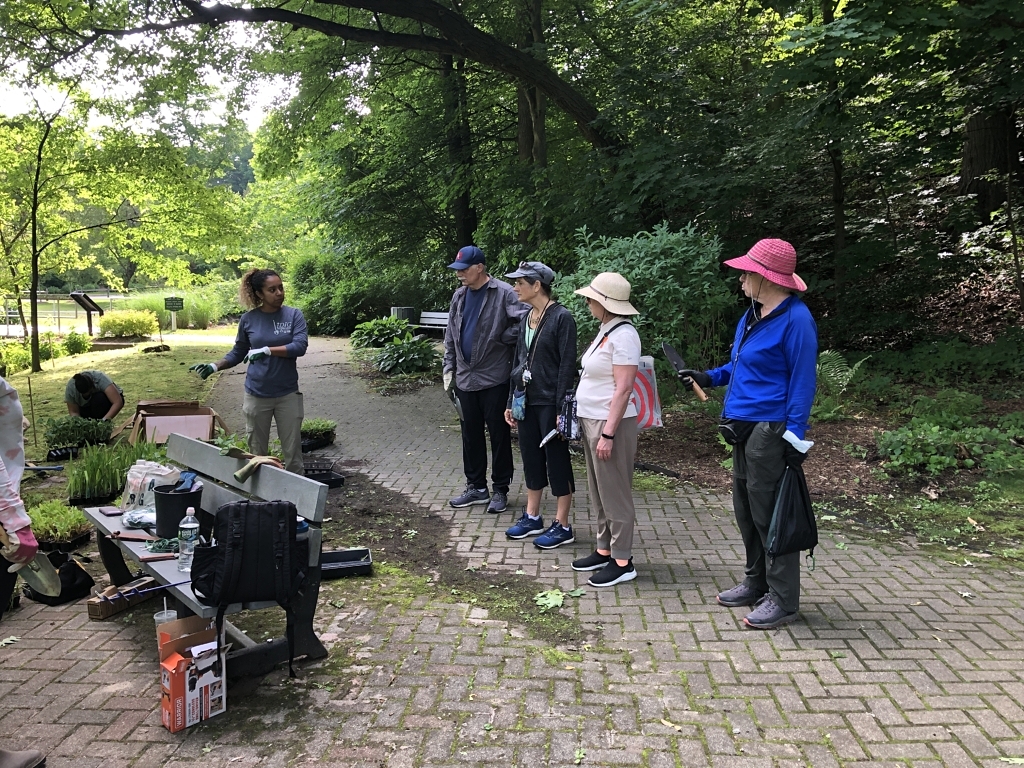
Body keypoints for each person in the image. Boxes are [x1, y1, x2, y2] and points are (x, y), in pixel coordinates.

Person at [677, 238, 817, 629]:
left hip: (770, 427)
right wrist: (709, 377)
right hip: (741, 425)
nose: (740, 279)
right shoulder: (752, 315)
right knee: (746, 509)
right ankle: (757, 582)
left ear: (766, 278)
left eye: (746, 273)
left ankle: (783, 600)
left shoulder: (797, 320)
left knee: (770, 513)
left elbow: (803, 381)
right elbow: (739, 365)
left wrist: (794, 436)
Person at [189, 268, 309, 475]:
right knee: (256, 453)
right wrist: (215, 366)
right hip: (257, 395)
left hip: (287, 394)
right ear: (259, 294)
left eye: (281, 287)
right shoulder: (249, 319)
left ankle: (296, 493)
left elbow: (300, 346)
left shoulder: (293, 315)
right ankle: (259, 492)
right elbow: (239, 352)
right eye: (272, 290)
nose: (279, 293)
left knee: (293, 452)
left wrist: (267, 350)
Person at [569, 273, 642, 588]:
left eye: (591, 298)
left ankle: (623, 561)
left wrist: (609, 434)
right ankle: (604, 549)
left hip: (610, 423)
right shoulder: (606, 329)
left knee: (615, 493)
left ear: (605, 303)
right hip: (592, 419)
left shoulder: (624, 336)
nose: (587, 303)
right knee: (599, 490)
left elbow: (624, 389)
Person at [442, 246, 528, 513]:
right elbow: (451, 334)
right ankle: (476, 487)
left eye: (464, 269)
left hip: (494, 377)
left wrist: (505, 337)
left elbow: (528, 320)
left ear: (479, 268)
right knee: (470, 435)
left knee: (499, 435)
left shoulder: (503, 292)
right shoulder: (459, 296)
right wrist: (448, 367)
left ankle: (500, 489)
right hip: (465, 378)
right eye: (457, 270)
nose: (459, 274)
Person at [501, 262, 578, 548]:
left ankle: (563, 524)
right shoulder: (526, 317)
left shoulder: (562, 318)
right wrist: (511, 400)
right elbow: (518, 362)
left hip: (550, 403)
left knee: (556, 460)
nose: (515, 288)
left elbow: (567, 367)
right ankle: (532, 516)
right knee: (531, 458)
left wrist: (561, 410)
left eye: (520, 283)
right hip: (526, 401)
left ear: (537, 286)